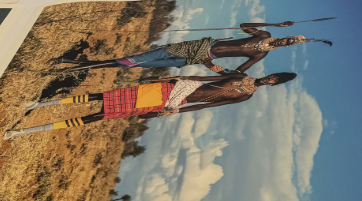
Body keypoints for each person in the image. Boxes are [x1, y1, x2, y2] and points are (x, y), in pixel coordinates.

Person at [5, 71, 297, 138]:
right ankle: (39, 104)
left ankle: (27, 131)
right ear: (271, 74)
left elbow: (207, 106)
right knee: (103, 97)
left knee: (103, 114)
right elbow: (206, 78)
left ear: (274, 85)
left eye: (275, 81)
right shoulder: (240, 76)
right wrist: (180, 77)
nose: (270, 79)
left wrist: (174, 110)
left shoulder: (245, 96)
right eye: (273, 76)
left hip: (177, 101)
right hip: (175, 88)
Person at [49, 22, 332, 75]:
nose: (286, 42)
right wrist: (273, 24)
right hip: (197, 47)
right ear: (286, 35)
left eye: (290, 44)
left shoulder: (261, 53)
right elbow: (244, 25)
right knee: (134, 59)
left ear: (287, 48)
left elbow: (241, 70)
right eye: (289, 38)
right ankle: (73, 66)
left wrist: (223, 72)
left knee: (140, 64)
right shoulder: (265, 34)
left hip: (195, 61)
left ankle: (79, 66)